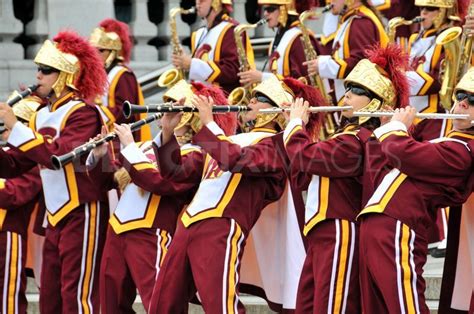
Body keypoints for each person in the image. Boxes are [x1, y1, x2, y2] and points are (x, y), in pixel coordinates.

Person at [148, 76, 297, 313]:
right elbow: (176, 171)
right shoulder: (227, 140)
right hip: (188, 226)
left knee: (221, 306)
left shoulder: (276, 145)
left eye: (259, 98)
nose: (251, 101)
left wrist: (208, 122)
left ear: (278, 111)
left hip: (222, 226)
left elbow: (237, 160)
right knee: (163, 303)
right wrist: (168, 132)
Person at [284, 44, 409, 314]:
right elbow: (301, 177)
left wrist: (295, 125)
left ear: (375, 102)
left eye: (357, 92)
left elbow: (305, 156)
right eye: (347, 88)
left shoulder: (357, 140)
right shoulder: (345, 137)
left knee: (332, 308)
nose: (346, 95)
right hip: (320, 231)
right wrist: (298, 125)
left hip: (340, 231)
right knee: (307, 307)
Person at [0, 30, 108, 313]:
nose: (38, 75)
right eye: (38, 69)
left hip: (81, 210)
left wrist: (16, 127)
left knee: (77, 295)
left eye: (46, 70)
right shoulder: (39, 115)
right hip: (55, 215)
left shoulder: (83, 112)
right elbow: (15, 164)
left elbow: (58, 154)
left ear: (65, 75)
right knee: (50, 296)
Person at [356, 59, 474, 314]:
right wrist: (385, 126)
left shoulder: (464, 151)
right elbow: (383, 169)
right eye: (460, 95)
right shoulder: (446, 142)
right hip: (377, 223)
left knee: (405, 307)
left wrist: (398, 127)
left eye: (472, 100)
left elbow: (404, 153)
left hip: (399, 227)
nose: (462, 102)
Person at [406, 0, 467, 256]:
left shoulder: (447, 36)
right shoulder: (417, 38)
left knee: (439, 174)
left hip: (437, 113)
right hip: (418, 114)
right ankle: (431, 233)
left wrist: (401, 78)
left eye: (429, 9)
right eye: (421, 9)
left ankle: (446, 236)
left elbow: (441, 80)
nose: (423, 14)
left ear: (443, 11)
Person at [0, 98, 42, 314]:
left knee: (8, 300)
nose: (5, 132)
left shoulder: (33, 162)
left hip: (8, 234)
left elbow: (12, 195)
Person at [305, 0, 388, 105]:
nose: (330, 1)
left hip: (363, 106)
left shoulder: (360, 22)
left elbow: (361, 64)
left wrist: (323, 65)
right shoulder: (352, 20)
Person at [90, 18, 151, 143]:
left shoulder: (123, 75)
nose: (95, 55)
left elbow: (126, 112)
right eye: (93, 50)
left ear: (113, 52)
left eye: (100, 50)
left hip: (120, 142)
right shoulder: (98, 74)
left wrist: (92, 113)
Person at [171, 0, 252, 95]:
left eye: (202, 0)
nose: (197, 2)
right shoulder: (199, 33)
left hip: (223, 103)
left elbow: (233, 70)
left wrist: (192, 64)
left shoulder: (231, 30)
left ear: (216, 2)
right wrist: (184, 63)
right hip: (200, 99)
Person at [238, 0, 320, 85]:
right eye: (265, 9)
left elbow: (302, 81)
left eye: (270, 9)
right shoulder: (280, 36)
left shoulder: (298, 38)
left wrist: (262, 77)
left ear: (284, 9)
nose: (265, 13)